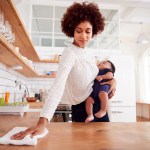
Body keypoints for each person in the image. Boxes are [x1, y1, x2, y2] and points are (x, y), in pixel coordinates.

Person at [11, 1, 116, 140]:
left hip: (98, 105)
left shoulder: (89, 54)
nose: (84, 36)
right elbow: (58, 86)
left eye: (88, 31)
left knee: (105, 145)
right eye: (79, 31)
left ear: (93, 31)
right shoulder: (69, 53)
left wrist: (113, 79)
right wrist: (43, 121)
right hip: (83, 111)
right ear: (72, 30)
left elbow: (96, 76)